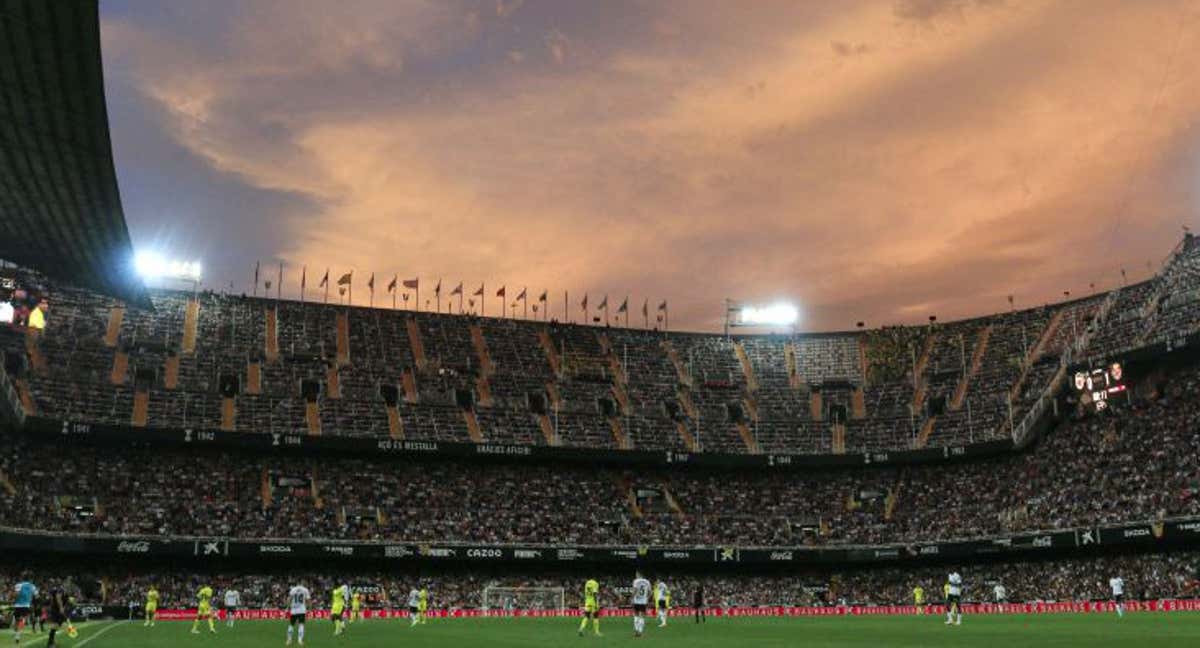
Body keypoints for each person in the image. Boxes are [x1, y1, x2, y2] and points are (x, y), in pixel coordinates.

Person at [12, 576, 37, 645]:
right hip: (26, 606)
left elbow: (16, 594)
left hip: (17, 606)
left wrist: (13, 598)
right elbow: (36, 595)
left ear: (22, 579)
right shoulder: (32, 586)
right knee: (22, 620)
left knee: (17, 621)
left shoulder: (18, 585)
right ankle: (18, 634)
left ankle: (16, 633)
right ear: (30, 579)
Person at [631, 572, 652, 638]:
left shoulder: (636, 581)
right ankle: (640, 632)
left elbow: (634, 590)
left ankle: (636, 632)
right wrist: (647, 598)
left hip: (636, 601)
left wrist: (632, 598)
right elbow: (650, 592)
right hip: (643, 602)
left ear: (639, 574)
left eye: (636, 574)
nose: (636, 575)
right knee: (642, 617)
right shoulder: (647, 582)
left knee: (636, 615)